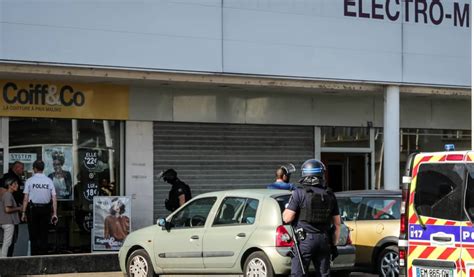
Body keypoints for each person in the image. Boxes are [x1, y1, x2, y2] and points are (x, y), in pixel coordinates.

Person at [283, 159, 341, 277]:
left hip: (305, 241)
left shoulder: (299, 193)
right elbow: (337, 224)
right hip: (324, 240)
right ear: (321, 174)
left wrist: (286, 209)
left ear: (304, 174)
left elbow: (287, 218)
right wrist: (334, 245)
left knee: (298, 274)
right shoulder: (330, 194)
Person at [21, 160, 58, 256]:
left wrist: (23, 212)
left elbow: (26, 198)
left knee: (33, 235)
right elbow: (54, 198)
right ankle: (43, 256)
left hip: (33, 209)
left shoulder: (30, 181)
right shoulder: (49, 181)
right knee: (44, 234)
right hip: (45, 209)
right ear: (43, 169)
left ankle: (34, 256)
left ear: (34, 169)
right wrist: (54, 213)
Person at [0, 178, 22, 257]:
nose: (17, 186)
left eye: (17, 184)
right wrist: (19, 208)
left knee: (3, 243)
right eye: (15, 184)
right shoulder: (8, 194)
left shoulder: (6, 194)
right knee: (7, 243)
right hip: (8, 222)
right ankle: (3, 260)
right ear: (9, 186)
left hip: (3, 221)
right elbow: (7, 209)